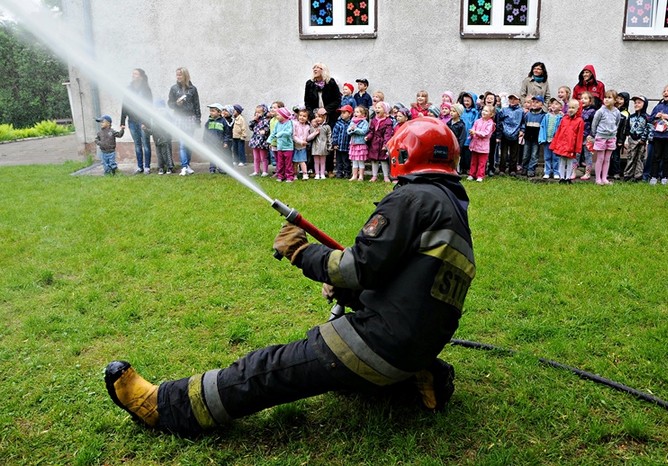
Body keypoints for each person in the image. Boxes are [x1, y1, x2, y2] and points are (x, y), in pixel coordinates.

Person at [104, 118, 476, 437]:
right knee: (325, 363)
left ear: (401, 155)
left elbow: (358, 267)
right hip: (417, 347)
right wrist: (350, 289)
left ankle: (167, 407)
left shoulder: (412, 199)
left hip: (380, 345)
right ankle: (425, 377)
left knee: (270, 370)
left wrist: (301, 252)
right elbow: (405, 283)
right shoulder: (451, 211)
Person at [168, 67, 201, 176]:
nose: (178, 77)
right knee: (182, 143)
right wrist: (176, 104)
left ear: (185, 75)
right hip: (179, 118)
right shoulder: (173, 89)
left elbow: (197, 105)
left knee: (189, 143)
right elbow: (170, 104)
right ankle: (184, 166)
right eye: (177, 75)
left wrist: (198, 119)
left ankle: (188, 165)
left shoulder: (193, 89)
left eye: (180, 75)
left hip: (190, 118)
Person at [120, 68, 153, 174]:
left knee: (146, 144)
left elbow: (149, 107)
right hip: (132, 121)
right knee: (137, 145)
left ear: (141, 76)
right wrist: (122, 122)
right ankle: (140, 167)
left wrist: (146, 122)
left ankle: (147, 167)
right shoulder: (129, 89)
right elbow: (124, 105)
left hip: (143, 121)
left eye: (136, 74)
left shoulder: (146, 90)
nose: (134, 75)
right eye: (133, 74)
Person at [590, 90, 622, 185]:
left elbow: (617, 122)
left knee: (607, 159)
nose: (606, 100)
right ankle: (598, 179)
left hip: (611, 137)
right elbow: (594, 123)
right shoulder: (600, 111)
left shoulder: (617, 112)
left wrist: (613, 132)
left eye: (609, 97)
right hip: (601, 137)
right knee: (600, 158)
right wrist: (595, 134)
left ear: (615, 100)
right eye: (605, 97)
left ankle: (604, 178)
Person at [549, 99, 584, 184]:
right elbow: (558, 132)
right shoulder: (564, 119)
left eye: (573, 108)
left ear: (577, 109)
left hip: (571, 145)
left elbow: (579, 136)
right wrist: (554, 144)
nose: (571, 110)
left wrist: (578, 148)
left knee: (569, 162)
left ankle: (568, 177)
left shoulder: (580, 121)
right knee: (561, 161)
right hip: (561, 144)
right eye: (569, 107)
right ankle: (562, 178)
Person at [304, 63, 342, 128]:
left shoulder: (331, 82)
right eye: (314, 68)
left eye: (317, 67)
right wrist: (312, 118)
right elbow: (307, 103)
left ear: (323, 70)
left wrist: (326, 109)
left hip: (330, 117)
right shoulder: (309, 84)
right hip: (315, 117)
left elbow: (337, 99)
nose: (315, 69)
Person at [623, 95, 651, 182]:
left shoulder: (647, 117)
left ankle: (638, 176)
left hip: (641, 140)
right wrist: (627, 138)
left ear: (644, 104)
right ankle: (628, 175)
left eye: (639, 103)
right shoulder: (631, 117)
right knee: (631, 157)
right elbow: (627, 128)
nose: (636, 104)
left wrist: (643, 139)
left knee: (640, 158)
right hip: (632, 139)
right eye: (635, 103)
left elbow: (648, 128)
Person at [365, 101, 394, 182]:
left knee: (383, 160)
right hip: (374, 143)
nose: (377, 109)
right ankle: (374, 176)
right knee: (374, 160)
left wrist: (385, 144)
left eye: (379, 108)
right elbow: (371, 131)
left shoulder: (388, 122)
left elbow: (387, 134)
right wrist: (368, 137)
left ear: (385, 110)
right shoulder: (374, 120)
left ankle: (386, 176)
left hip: (382, 143)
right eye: (376, 108)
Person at [497, 94, 523, 176]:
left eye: (514, 99)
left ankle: (513, 170)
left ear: (518, 100)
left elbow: (523, 122)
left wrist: (522, 130)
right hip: (505, 134)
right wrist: (501, 131)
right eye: (511, 99)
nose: (512, 101)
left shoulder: (521, 111)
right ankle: (502, 169)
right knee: (503, 153)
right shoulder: (504, 110)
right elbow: (499, 120)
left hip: (515, 134)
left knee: (514, 154)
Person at [468, 105, 495, 182]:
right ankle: (471, 174)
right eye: (483, 110)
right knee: (473, 161)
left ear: (491, 114)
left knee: (482, 163)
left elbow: (485, 134)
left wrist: (475, 132)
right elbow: (474, 128)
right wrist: (471, 132)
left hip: (483, 147)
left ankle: (480, 175)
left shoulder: (491, 123)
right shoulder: (477, 121)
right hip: (475, 145)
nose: (484, 112)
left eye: (486, 111)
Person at [520, 95, 546, 177]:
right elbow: (524, 124)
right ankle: (524, 168)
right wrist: (523, 131)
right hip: (527, 138)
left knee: (534, 155)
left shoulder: (543, 115)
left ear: (542, 104)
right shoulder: (528, 114)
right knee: (525, 154)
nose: (534, 104)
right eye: (533, 102)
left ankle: (531, 169)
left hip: (536, 138)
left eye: (537, 102)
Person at [147, 100, 174, 175]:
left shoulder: (166, 115)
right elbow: (152, 131)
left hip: (165, 139)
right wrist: (145, 129)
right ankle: (161, 167)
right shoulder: (154, 118)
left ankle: (169, 167)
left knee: (166, 154)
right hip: (157, 139)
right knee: (159, 155)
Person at [539, 97, 563, 179]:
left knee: (556, 157)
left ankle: (556, 172)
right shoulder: (546, 116)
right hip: (547, 140)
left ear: (560, 107)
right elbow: (542, 127)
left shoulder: (561, 117)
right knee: (547, 157)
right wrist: (542, 138)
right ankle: (547, 172)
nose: (553, 105)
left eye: (556, 104)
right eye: (552, 103)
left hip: (556, 141)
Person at [268, 107, 295, 182]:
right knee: (280, 163)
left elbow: (289, 133)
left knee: (288, 163)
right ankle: (280, 176)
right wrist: (269, 140)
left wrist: (280, 134)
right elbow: (273, 132)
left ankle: (289, 177)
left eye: (278, 115)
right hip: (280, 147)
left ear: (284, 115)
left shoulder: (289, 123)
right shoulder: (277, 124)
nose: (277, 117)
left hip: (288, 148)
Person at [204, 103, 232, 174]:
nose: (211, 112)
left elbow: (227, 133)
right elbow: (206, 132)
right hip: (211, 143)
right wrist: (205, 140)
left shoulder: (223, 122)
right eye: (210, 111)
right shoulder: (209, 121)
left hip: (220, 143)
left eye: (213, 111)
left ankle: (221, 168)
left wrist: (226, 142)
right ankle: (212, 168)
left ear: (219, 112)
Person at [457, 92, 478, 174]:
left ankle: (468, 167)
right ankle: (462, 168)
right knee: (461, 152)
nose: (466, 103)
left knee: (468, 154)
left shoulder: (474, 112)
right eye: (465, 101)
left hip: (470, 136)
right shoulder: (462, 111)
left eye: (468, 101)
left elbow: (475, 123)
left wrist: (473, 131)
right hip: (462, 135)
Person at [308, 108, 332, 179]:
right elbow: (309, 137)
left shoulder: (327, 127)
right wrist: (315, 132)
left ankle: (322, 173)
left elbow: (329, 137)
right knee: (316, 161)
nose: (317, 119)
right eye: (316, 117)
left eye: (319, 117)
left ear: (324, 117)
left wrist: (329, 146)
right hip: (315, 146)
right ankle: (317, 174)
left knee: (322, 161)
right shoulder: (313, 127)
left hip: (323, 146)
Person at [347, 106, 370, 181]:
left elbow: (364, 131)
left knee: (360, 161)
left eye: (357, 112)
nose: (355, 113)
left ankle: (361, 176)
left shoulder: (364, 122)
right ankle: (354, 175)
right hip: (353, 144)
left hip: (360, 144)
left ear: (363, 115)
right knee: (354, 161)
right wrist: (351, 130)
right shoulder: (352, 121)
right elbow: (348, 131)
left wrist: (355, 129)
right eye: (355, 112)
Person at [248, 104, 270, 177]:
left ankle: (265, 171)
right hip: (255, 141)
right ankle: (256, 171)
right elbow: (250, 127)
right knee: (256, 158)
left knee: (263, 158)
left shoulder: (266, 120)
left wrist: (265, 131)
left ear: (264, 112)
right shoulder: (255, 121)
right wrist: (254, 120)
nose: (257, 114)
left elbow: (268, 128)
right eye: (256, 112)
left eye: (259, 112)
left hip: (262, 141)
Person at [579, 92, 597, 180]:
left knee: (587, 155)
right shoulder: (578, 110)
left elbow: (594, 124)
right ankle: (573, 171)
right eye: (582, 98)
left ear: (590, 101)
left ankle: (588, 173)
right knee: (577, 154)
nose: (582, 100)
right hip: (578, 136)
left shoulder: (593, 111)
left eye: (585, 98)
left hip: (588, 136)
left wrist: (592, 135)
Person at [332, 105, 353, 179]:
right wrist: (334, 143)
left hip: (347, 146)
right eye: (341, 113)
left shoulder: (351, 124)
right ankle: (339, 173)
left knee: (346, 161)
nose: (342, 114)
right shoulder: (338, 123)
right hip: (339, 146)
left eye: (344, 112)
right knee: (339, 161)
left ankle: (347, 172)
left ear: (350, 114)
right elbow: (335, 134)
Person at [292, 108, 312, 180]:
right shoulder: (295, 124)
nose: (302, 117)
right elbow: (294, 136)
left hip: (302, 148)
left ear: (307, 118)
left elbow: (307, 137)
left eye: (304, 116)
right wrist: (301, 142)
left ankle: (305, 174)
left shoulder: (307, 127)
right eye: (300, 115)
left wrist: (315, 134)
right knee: (295, 162)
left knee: (302, 161)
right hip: (295, 146)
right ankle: (294, 175)